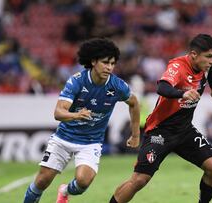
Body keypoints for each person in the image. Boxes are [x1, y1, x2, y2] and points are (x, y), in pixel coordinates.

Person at [23, 38, 140, 203]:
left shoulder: (117, 86)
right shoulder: (77, 81)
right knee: (42, 181)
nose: (109, 67)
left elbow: (134, 103)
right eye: (105, 62)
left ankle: (64, 190)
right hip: (64, 138)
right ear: (93, 62)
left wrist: (135, 135)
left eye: (112, 63)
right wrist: (75, 115)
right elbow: (58, 112)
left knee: (83, 182)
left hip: (90, 142)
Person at [109, 33, 212, 203]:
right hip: (160, 132)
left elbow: (209, 71)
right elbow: (162, 87)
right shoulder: (178, 66)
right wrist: (182, 94)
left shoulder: (204, 66)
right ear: (193, 55)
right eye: (208, 57)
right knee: (139, 180)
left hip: (185, 131)